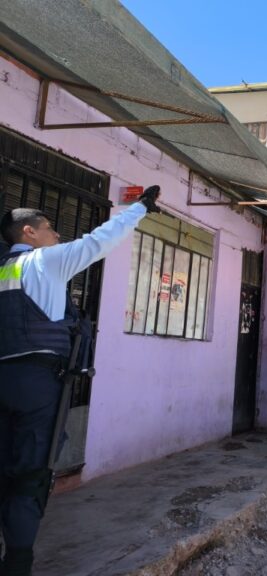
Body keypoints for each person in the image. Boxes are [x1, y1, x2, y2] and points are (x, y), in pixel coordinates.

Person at [0, 186, 161, 576]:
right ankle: (17, 564)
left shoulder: (4, 269)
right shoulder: (43, 261)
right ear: (29, 233)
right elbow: (98, 242)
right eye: (49, 227)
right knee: (30, 474)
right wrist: (138, 209)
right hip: (37, 382)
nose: (57, 234)